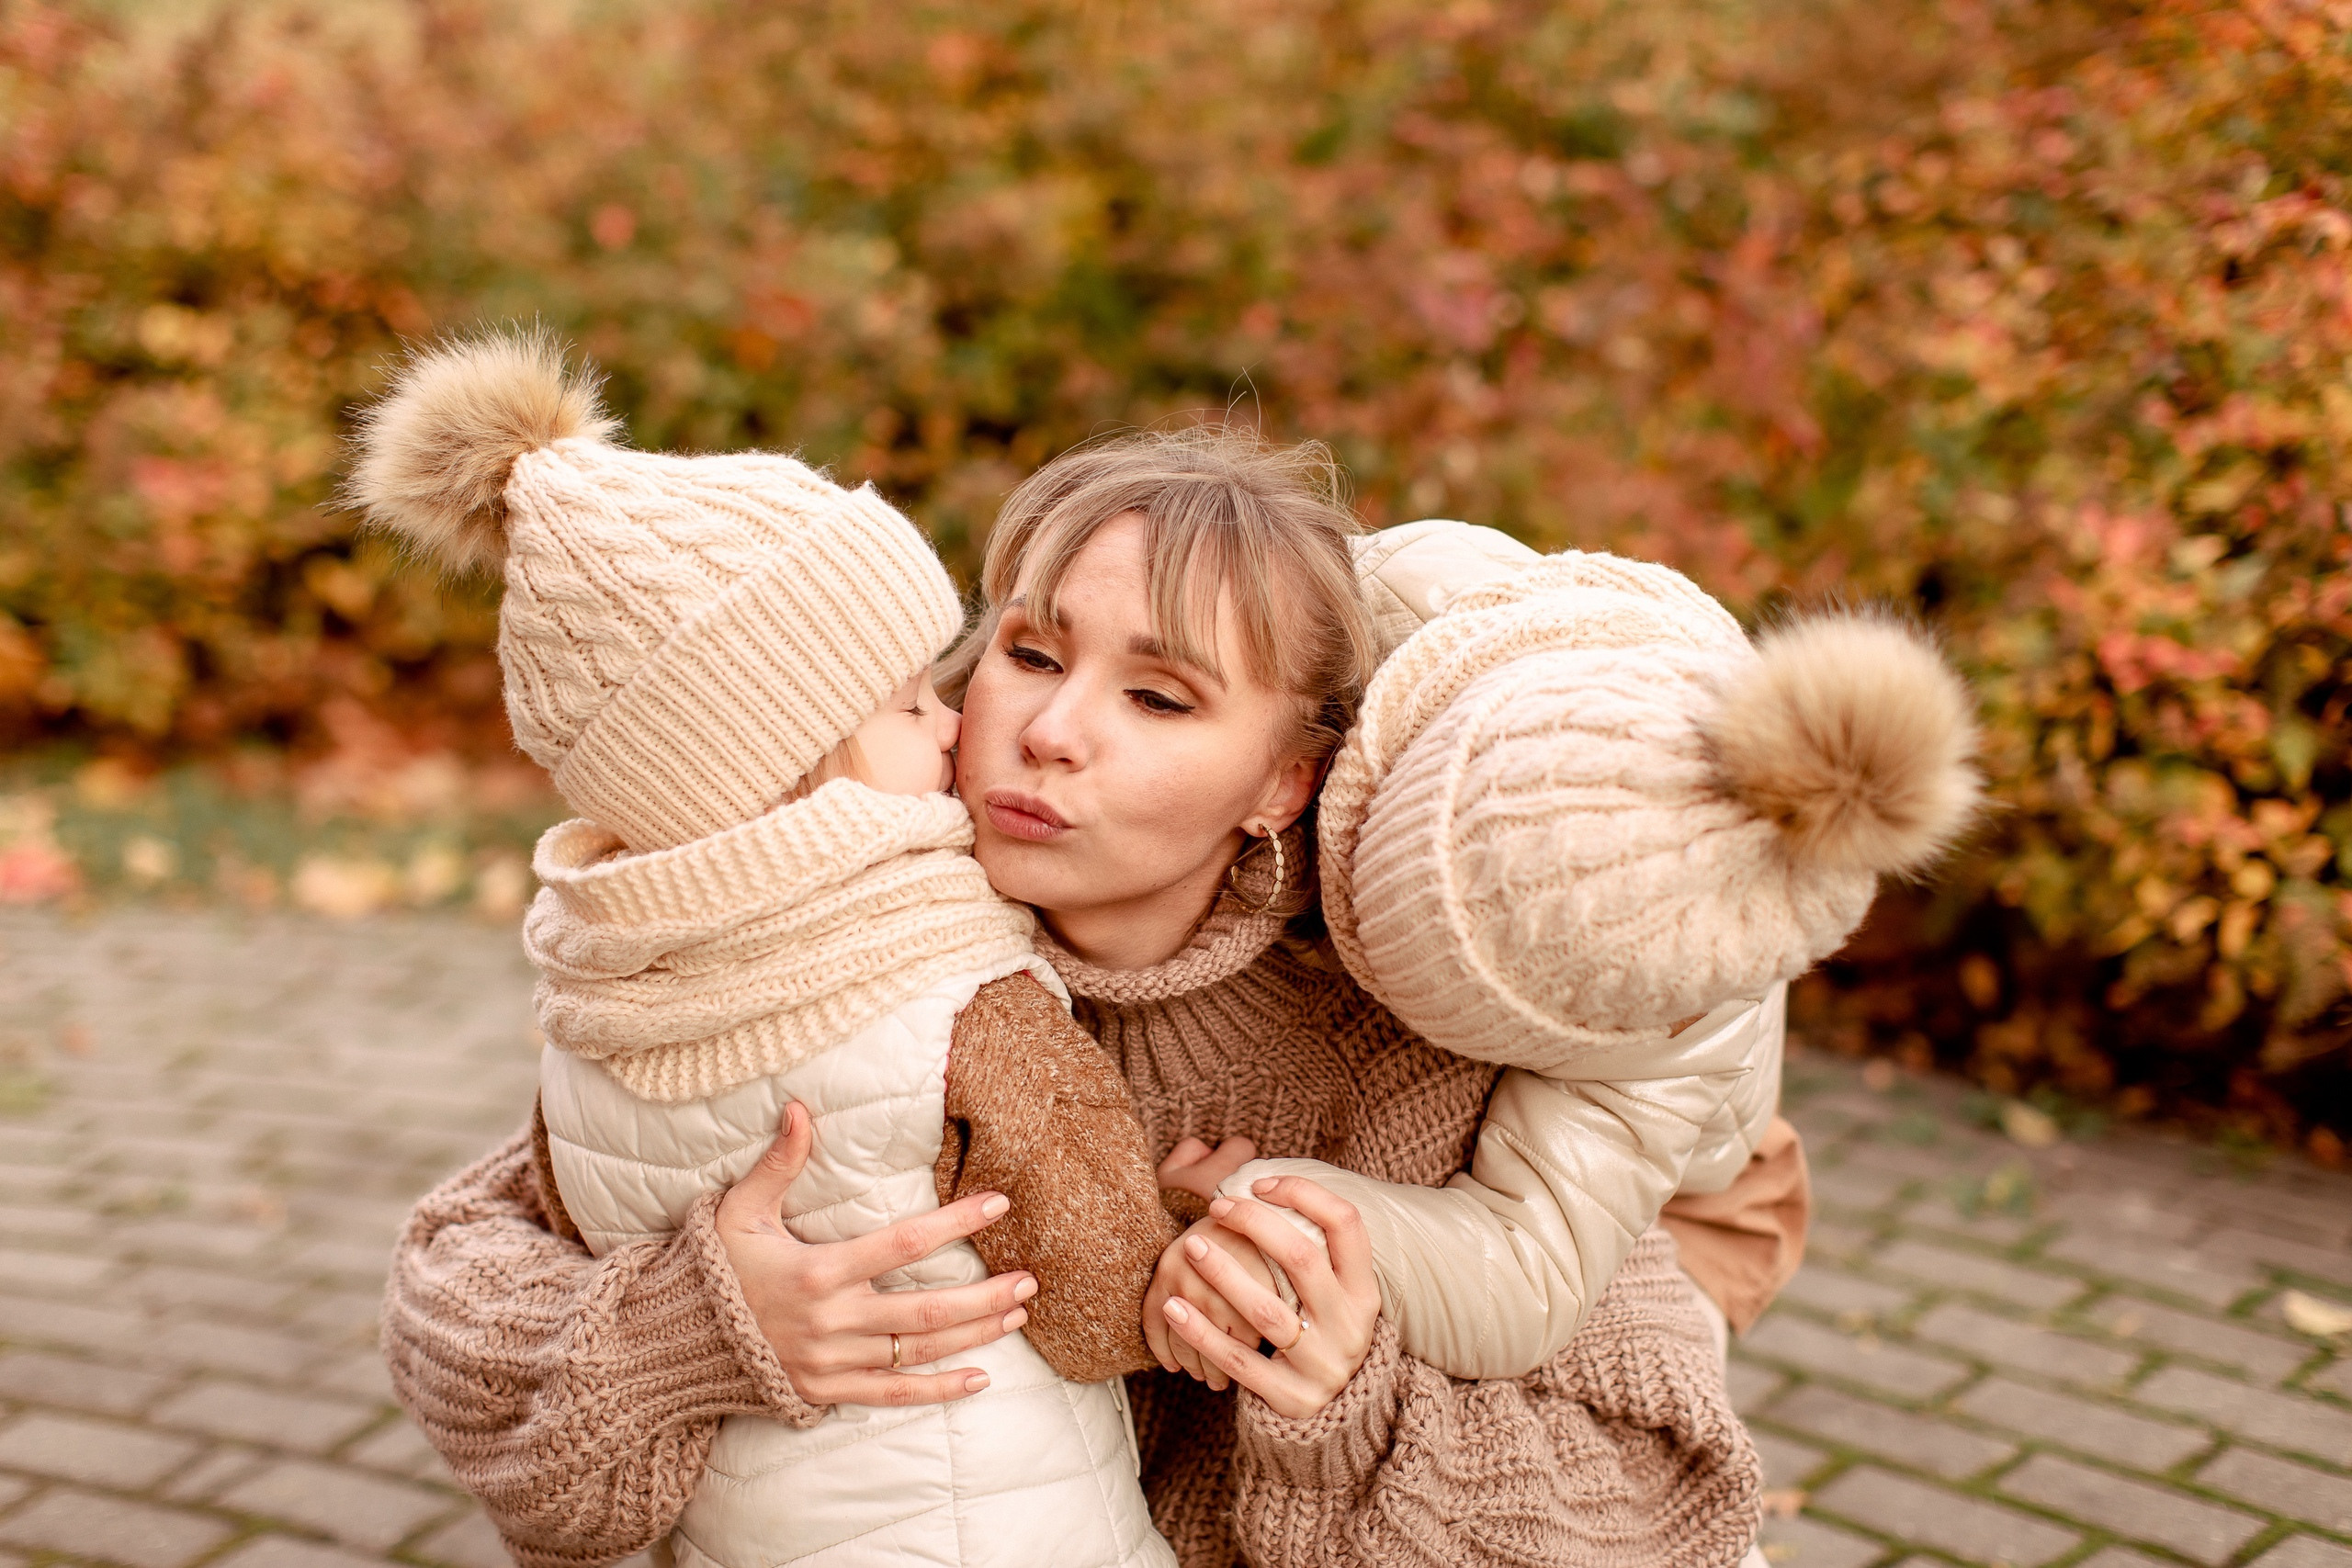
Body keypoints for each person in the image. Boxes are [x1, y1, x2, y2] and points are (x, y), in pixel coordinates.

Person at [379, 418, 1882, 1568]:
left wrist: (1328, 1396)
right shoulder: (842, 938)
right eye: (1030, 654)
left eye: (1160, 698)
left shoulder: (1411, 1051)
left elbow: (1640, 1489)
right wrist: (699, 1326)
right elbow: (464, 1273)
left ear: (1283, 779)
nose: (1051, 732)